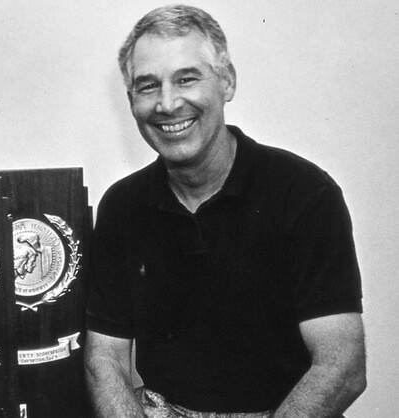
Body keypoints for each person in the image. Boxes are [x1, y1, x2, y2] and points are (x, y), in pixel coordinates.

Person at [84, 5, 366, 417]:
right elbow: (103, 360)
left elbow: (342, 366)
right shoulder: (121, 206)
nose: (167, 104)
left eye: (186, 79)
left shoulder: (305, 193)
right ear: (131, 101)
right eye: (148, 86)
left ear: (227, 82)